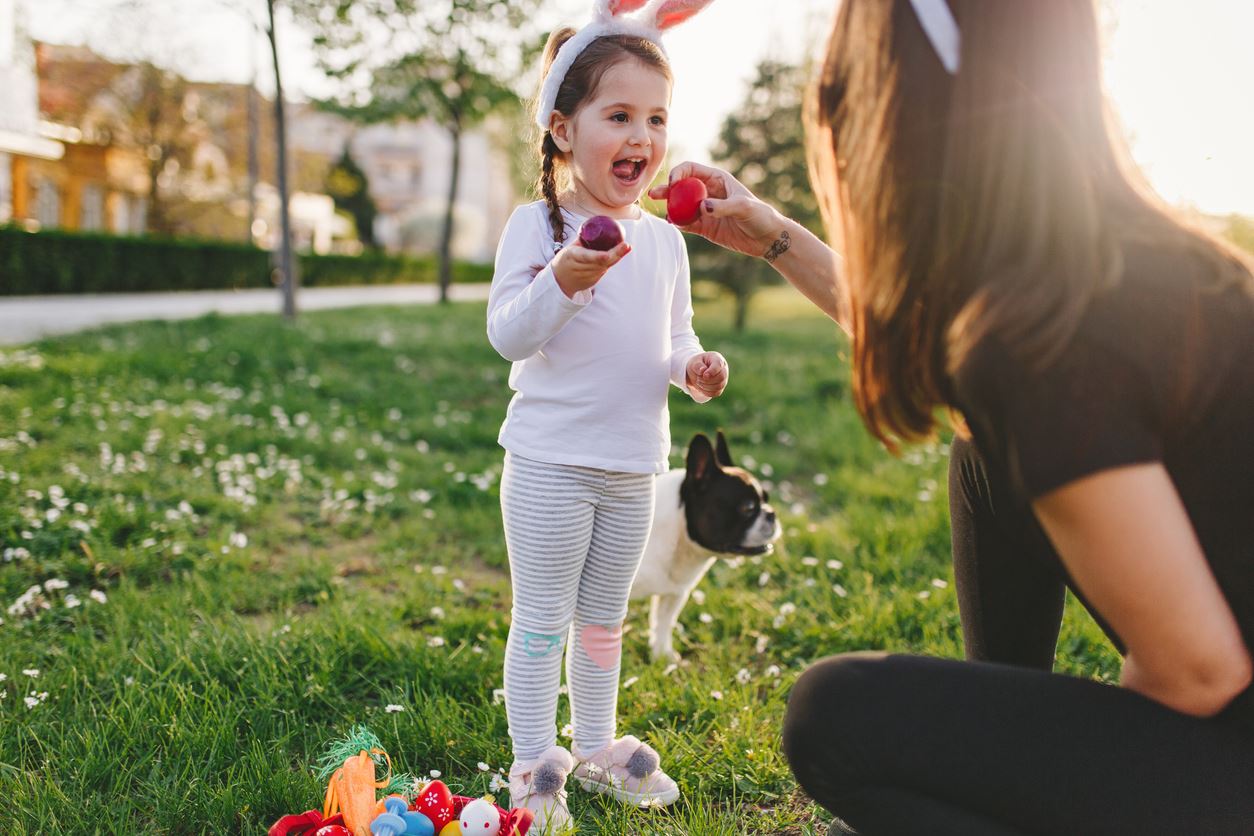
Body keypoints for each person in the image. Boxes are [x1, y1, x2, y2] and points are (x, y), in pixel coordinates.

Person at [649, 0, 1254, 832]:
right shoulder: (1115, 267)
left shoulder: (1053, 344)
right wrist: (778, 237)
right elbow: (943, 351)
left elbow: (1196, 675)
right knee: (982, 451)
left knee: (836, 715)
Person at [485, 1, 725, 831]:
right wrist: (566, 277)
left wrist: (691, 369)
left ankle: (591, 748)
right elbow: (509, 334)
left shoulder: (665, 242)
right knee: (544, 618)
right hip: (552, 462)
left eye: (656, 118)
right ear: (562, 128)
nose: (642, 137)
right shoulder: (536, 226)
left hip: (634, 467)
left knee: (603, 618)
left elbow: (674, 335)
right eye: (618, 115)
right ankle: (530, 764)